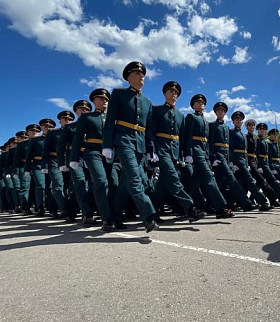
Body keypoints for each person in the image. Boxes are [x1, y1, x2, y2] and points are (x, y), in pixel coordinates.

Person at [102, 62, 159, 233]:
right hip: (123, 141)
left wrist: (151, 150)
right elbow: (110, 120)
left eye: (143, 74)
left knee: (125, 183)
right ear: (128, 77)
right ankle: (149, 216)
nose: (141, 76)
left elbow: (148, 129)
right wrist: (107, 145)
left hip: (140, 145)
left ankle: (112, 219)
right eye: (136, 73)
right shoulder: (118, 95)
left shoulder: (147, 102)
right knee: (135, 178)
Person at [150, 81, 206, 222]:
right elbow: (150, 131)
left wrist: (184, 154)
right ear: (164, 93)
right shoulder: (156, 110)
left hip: (174, 152)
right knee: (174, 178)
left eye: (176, 92)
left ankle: (152, 211)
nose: (173, 93)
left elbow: (182, 137)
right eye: (170, 91)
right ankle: (190, 208)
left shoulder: (180, 115)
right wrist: (152, 150)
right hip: (161, 149)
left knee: (163, 184)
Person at [71, 88, 117, 232]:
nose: (104, 101)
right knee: (101, 181)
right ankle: (106, 219)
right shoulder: (87, 117)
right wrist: (74, 158)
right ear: (94, 101)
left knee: (114, 183)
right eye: (101, 99)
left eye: (106, 99)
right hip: (93, 152)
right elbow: (78, 138)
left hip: (110, 154)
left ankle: (115, 216)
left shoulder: (113, 117)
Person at [183, 94, 233, 219]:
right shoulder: (191, 117)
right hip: (196, 152)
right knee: (209, 178)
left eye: (203, 103)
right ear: (193, 105)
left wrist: (209, 156)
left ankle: (193, 206)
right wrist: (188, 153)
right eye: (198, 103)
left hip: (203, 153)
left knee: (194, 183)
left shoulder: (205, 121)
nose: (201, 105)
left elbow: (207, 142)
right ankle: (221, 208)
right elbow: (187, 136)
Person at [209, 102, 257, 211]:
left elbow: (229, 147)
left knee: (219, 181)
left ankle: (215, 204)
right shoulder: (212, 125)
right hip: (218, 155)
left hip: (226, 156)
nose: (221, 112)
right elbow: (210, 142)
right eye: (218, 110)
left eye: (223, 111)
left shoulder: (226, 127)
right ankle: (245, 203)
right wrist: (212, 157)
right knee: (231, 178)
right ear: (215, 112)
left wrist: (230, 160)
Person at [58, 100, 97, 226]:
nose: (84, 110)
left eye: (86, 109)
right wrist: (62, 163)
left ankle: (71, 211)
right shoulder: (70, 127)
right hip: (75, 158)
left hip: (90, 157)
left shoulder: (93, 124)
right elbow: (61, 147)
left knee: (91, 185)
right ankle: (87, 214)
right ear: (76, 111)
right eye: (81, 109)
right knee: (80, 183)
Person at [228, 111, 271, 211]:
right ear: (233, 121)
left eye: (240, 119)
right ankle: (263, 202)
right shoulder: (231, 132)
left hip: (244, 161)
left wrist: (247, 163)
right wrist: (232, 162)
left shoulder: (243, 135)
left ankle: (231, 203)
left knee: (238, 183)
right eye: (236, 119)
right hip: (237, 161)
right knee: (250, 182)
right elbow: (230, 148)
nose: (238, 121)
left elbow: (246, 151)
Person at [43, 110, 76, 221]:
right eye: (65, 119)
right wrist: (44, 165)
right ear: (60, 121)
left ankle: (71, 209)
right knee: (57, 185)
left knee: (71, 186)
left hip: (70, 159)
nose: (67, 121)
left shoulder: (75, 130)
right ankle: (64, 210)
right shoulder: (53, 133)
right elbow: (46, 150)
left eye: (70, 119)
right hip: (55, 160)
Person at [244, 119, 280, 206]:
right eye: (249, 125)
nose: (251, 127)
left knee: (253, 182)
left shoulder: (255, 138)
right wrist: (246, 163)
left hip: (254, 162)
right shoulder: (245, 137)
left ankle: (252, 200)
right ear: (247, 127)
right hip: (248, 161)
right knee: (259, 180)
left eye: (253, 125)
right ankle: (269, 199)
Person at [25, 118, 56, 216]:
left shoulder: (55, 138)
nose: (48, 128)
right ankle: (40, 207)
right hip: (37, 165)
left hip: (51, 164)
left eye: (50, 126)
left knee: (50, 187)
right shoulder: (36, 140)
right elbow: (29, 156)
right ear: (42, 128)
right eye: (45, 126)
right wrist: (27, 169)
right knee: (40, 186)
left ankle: (52, 209)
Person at [256, 123, 280, 206]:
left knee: (261, 183)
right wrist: (259, 166)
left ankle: (278, 200)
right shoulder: (257, 141)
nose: (262, 130)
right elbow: (257, 154)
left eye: (264, 129)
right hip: (262, 164)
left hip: (266, 164)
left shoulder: (265, 141)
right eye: (261, 129)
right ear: (258, 130)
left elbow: (268, 156)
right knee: (270, 182)